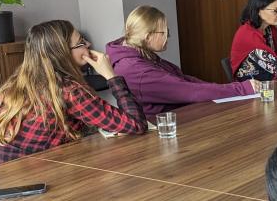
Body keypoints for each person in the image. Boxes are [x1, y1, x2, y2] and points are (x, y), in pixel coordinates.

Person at [0, 20, 147, 170]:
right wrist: (111, 76)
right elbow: (136, 124)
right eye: (80, 42)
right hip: (26, 191)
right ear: (62, 52)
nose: (87, 44)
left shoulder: (16, 82)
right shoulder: (69, 90)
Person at [107, 6, 254, 118]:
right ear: (147, 36)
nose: (168, 36)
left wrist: (232, 88)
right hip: (162, 131)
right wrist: (242, 89)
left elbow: (185, 81)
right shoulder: (137, 70)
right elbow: (191, 91)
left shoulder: (139, 54)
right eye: (164, 32)